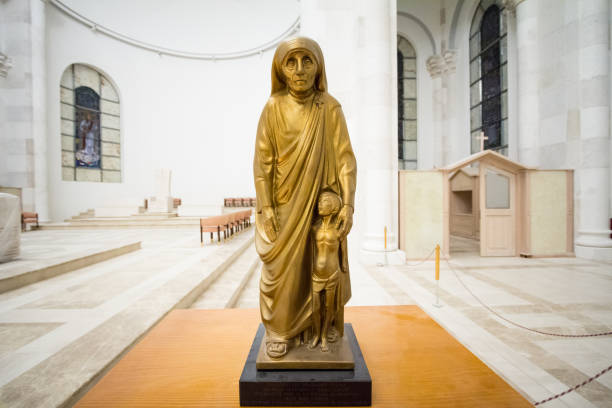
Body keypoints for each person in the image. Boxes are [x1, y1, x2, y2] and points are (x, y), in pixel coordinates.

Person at [253, 37, 357, 359]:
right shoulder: (273, 108)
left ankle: (319, 328)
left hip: (318, 205)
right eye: (291, 62)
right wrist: (267, 207)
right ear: (281, 70)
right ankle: (281, 330)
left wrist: (349, 203)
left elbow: (345, 159)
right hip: (283, 206)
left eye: (307, 61)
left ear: (318, 66)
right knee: (281, 271)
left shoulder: (330, 107)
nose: (299, 70)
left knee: (319, 267)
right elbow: (263, 162)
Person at [309, 191, 344, 352]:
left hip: (332, 274)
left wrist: (343, 269)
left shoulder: (338, 230)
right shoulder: (313, 228)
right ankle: (316, 334)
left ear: (333, 207)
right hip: (316, 274)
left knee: (329, 307)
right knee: (316, 308)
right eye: (319, 202)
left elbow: (343, 254)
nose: (320, 205)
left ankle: (324, 336)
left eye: (324, 202)